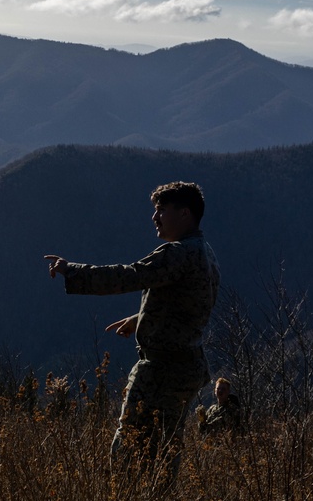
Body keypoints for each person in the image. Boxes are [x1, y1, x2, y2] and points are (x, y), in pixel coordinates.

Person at [45, 181, 219, 485]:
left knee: (129, 449)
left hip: (161, 369)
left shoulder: (177, 253)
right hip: (186, 366)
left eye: (161, 210)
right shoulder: (204, 252)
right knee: (165, 448)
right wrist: (142, 318)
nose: (155, 218)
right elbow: (191, 303)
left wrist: (72, 271)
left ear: (185, 213)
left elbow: (129, 275)